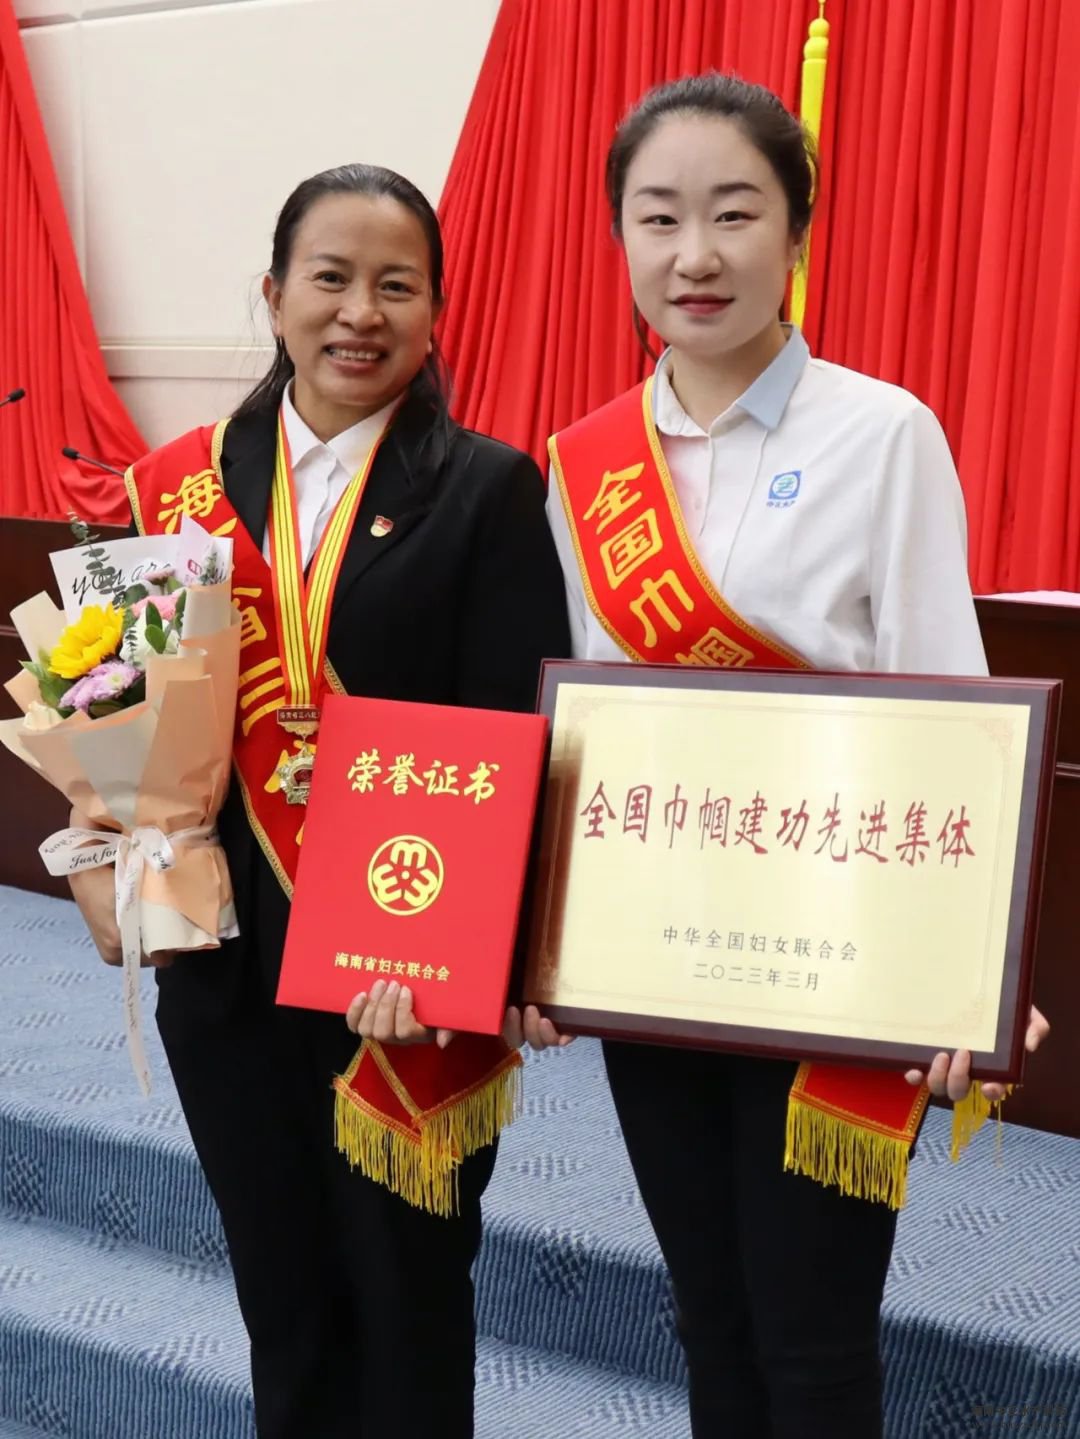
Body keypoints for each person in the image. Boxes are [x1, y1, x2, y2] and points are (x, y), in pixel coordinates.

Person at [537, 74, 1050, 1438]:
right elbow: (579, 734)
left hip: (842, 954)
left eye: (734, 212)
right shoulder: (585, 468)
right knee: (708, 1317)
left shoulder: (882, 434)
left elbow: (949, 696)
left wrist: (965, 970)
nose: (695, 254)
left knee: (814, 1338)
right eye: (659, 218)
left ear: (798, 229)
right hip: (654, 955)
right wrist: (537, 938)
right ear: (621, 238)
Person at [66, 162, 571, 1439]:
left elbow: (517, 742)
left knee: (408, 1307)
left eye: (396, 286)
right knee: (283, 1305)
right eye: (331, 279)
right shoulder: (173, 485)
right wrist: (99, 856)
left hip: (399, 979)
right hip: (226, 967)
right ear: (275, 294)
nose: (360, 312)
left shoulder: (489, 490)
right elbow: (114, 726)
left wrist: (472, 957)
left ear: (436, 312)